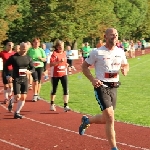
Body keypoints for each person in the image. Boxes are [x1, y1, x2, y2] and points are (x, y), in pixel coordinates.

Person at [78, 28, 129, 150]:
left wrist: (125, 69)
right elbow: (84, 67)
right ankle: (114, 148)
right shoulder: (97, 52)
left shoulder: (120, 51)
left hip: (114, 87)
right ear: (105, 36)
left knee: (106, 118)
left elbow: (126, 64)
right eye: (112, 35)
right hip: (101, 86)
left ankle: (87, 120)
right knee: (110, 117)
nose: (114, 37)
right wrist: (92, 79)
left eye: (116, 35)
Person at [3, 42, 35, 119]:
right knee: (17, 96)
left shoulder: (28, 58)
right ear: (19, 48)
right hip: (16, 79)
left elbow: (33, 68)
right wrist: (8, 76)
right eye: (23, 49)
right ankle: (12, 100)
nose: (24, 50)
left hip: (24, 79)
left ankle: (17, 112)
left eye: (26, 49)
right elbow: (6, 66)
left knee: (23, 97)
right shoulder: (14, 57)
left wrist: (30, 71)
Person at [50, 40, 70, 112]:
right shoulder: (54, 54)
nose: (61, 48)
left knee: (66, 89)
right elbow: (51, 64)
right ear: (57, 47)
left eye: (62, 46)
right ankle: (52, 104)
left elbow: (65, 62)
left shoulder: (64, 53)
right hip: (55, 74)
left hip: (64, 73)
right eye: (60, 46)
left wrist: (66, 65)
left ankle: (65, 105)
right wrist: (59, 62)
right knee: (54, 89)